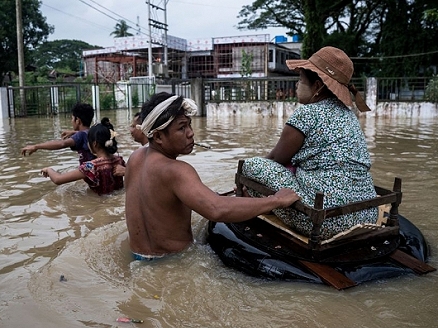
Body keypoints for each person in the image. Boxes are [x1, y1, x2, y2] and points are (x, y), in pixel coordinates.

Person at [124, 92, 301, 261]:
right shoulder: (176, 170)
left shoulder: (134, 159)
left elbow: (164, 204)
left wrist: (234, 201)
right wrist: (276, 200)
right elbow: (216, 209)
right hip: (176, 262)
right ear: (158, 136)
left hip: (137, 257)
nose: (191, 133)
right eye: (181, 127)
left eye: (189, 124)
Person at [241, 46, 377, 241]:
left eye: (300, 80)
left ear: (318, 87)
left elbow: (275, 159)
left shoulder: (307, 113)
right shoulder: (349, 114)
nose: (297, 86)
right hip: (367, 213)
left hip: (324, 222)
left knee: (251, 166)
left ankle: (263, 204)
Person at [40, 118, 126, 195]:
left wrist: (49, 170)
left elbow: (58, 179)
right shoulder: (119, 160)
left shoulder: (90, 167)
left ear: (94, 144)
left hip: (98, 204)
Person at [21, 103, 96, 165]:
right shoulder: (93, 131)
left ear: (78, 121)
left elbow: (61, 144)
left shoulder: (80, 135)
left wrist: (36, 146)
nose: (71, 121)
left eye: (72, 118)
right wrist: (74, 132)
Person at [113, 112, 148, 177]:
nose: (131, 130)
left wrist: (126, 171)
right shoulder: (146, 150)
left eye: (133, 126)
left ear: (143, 128)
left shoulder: (148, 152)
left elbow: (151, 176)